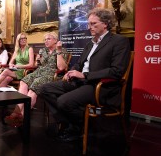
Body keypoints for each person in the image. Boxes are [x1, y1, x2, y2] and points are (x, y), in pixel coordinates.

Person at [40, 8, 131, 142]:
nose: (90, 27)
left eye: (94, 24)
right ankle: (76, 122)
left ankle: (76, 126)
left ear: (105, 23)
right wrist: (72, 71)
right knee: (45, 89)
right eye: (89, 24)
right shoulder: (90, 43)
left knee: (63, 101)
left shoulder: (119, 41)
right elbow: (80, 63)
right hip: (82, 82)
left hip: (99, 85)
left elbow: (116, 71)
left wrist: (85, 75)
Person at [4, 32, 69, 127]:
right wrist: (37, 60)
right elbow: (37, 65)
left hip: (52, 74)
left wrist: (58, 51)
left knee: (35, 85)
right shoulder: (43, 50)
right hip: (39, 72)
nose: (46, 41)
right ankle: (16, 113)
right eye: (45, 39)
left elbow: (61, 68)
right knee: (24, 81)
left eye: (48, 39)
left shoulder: (62, 50)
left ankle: (22, 116)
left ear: (55, 40)